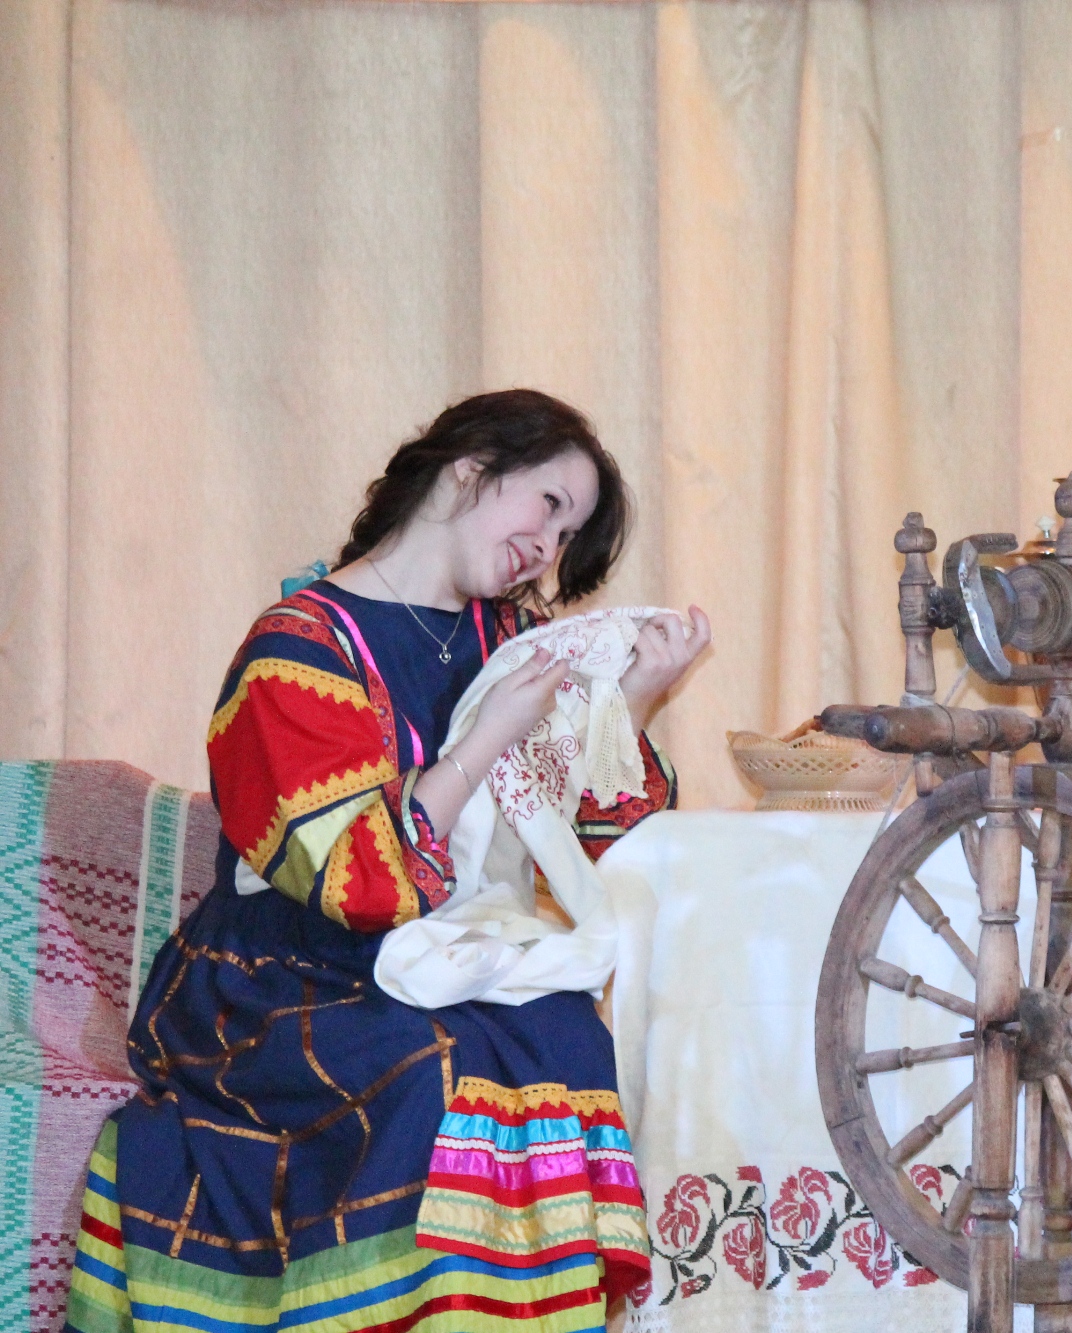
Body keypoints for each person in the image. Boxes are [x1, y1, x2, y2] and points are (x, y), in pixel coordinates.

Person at [65, 390, 712, 1333]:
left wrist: (636, 701)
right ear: (470, 468)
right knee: (436, 1066)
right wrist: (485, 739)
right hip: (284, 970)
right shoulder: (296, 648)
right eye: (548, 506)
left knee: (569, 1033)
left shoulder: (507, 643)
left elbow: (568, 842)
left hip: (443, 950)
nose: (548, 550)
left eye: (568, 535)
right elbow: (353, 880)